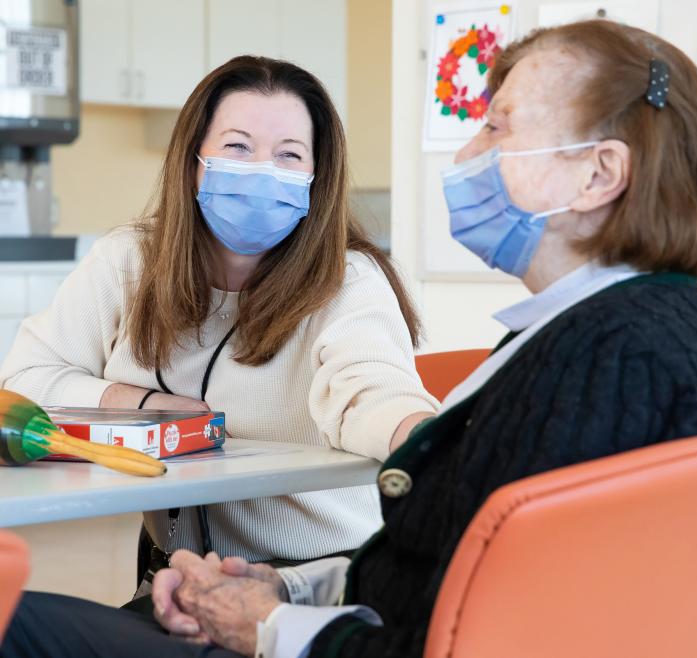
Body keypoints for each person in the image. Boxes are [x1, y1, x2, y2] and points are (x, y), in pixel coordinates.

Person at [3, 19, 697, 658]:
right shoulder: (615, 338)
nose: (467, 155)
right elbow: (447, 581)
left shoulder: (604, 360)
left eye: (496, 125)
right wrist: (282, 592)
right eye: (237, 147)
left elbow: (469, 628)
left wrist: (264, 622)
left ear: (599, 175)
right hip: (297, 594)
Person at [0, 56, 437, 586]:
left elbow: (371, 391)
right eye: (237, 147)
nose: (262, 170)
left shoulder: (350, 279)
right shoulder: (127, 262)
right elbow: (21, 384)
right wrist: (141, 404)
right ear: (192, 163)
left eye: (290, 154)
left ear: (316, 179)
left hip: (317, 578)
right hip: (176, 574)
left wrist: (427, 440)